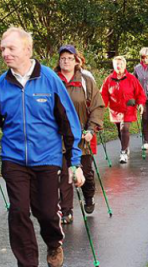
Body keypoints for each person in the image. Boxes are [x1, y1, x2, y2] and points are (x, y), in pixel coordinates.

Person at [0, 27, 85, 267]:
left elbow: (69, 124)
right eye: (3, 48)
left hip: (47, 158)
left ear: (27, 50)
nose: (5, 53)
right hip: (14, 160)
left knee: (45, 212)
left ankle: (54, 244)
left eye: (10, 48)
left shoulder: (49, 80)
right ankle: (27, 263)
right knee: (19, 212)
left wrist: (75, 163)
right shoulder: (0, 86)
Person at [55, 45, 105, 223]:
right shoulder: (53, 80)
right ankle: (66, 211)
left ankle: (89, 196)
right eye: (62, 58)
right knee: (63, 174)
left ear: (77, 60)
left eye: (69, 58)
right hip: (59, 138)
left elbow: (97, 107)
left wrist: (92, 129)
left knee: (86, 173)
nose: (65, 61)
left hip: (82, 137)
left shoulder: (86, 81)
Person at [101, 56, 146, 164]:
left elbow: (140, 93)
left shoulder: (131, 78)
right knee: (119, 131)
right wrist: (101, 107)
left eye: (121, 64)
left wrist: (140, 104)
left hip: (128, 108)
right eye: (116, 64)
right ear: (113, 65)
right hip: (115, 110)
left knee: (124, 128)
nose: (118, 66)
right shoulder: (109, 79)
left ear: (125, 65)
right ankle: (125, 146)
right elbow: (104, 94)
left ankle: (123, 152)